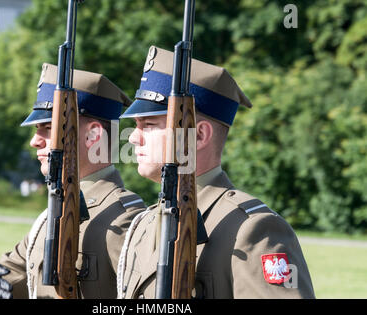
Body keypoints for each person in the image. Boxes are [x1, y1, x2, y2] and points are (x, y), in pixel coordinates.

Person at [116, 46, 315, 299]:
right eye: (136, 125)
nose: (133, 137)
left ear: (198, 136)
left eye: (149, 124)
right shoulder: (144, 223)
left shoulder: (252, 229)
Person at [0, 63, 146, 299]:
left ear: (93, 135)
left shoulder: (124, 218)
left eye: (47, 128)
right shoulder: (51, 215)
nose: (35, 140)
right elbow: (4, 272)